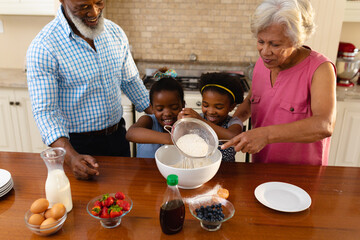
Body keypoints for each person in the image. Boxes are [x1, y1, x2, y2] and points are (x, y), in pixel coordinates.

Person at [26, 0, 151, 180]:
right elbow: (46, 112)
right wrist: (70, 157)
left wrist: (164, 114)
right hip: (76, 147)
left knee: (125, 198)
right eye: (83, 6)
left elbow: (130, 80)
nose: (94, 12)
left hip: (118, 137)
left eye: (99, 2)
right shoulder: (44, 47)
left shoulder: (115, 32)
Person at [222, 0, 336, 165]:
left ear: (296, 40)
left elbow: (324, 125)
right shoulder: (263, 63)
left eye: (275, 44)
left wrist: (266, 135)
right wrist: (231, 125)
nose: (265, 51)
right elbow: (251, 101)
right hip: (261, 167)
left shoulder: (320, 69)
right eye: (261, 42)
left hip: (302, 173)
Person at [178, 72, 244, 162]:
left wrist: (201, 121)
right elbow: (181, 137)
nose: (211, 111)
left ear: (231, 107)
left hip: (227, 170)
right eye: (205, 105)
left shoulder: (233, 122)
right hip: (201, 167)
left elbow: (234, 138)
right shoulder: (197, 119)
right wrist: (181, 123)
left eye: (218, 107)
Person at [126, 68, 185, 158]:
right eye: (160, 109)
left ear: (183, 105)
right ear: (152, 108)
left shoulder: (187, 125)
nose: (167, 113)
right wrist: (171, 139)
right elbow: (130, 134)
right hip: (146, 171)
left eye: (174, 108)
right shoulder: (148, 120)